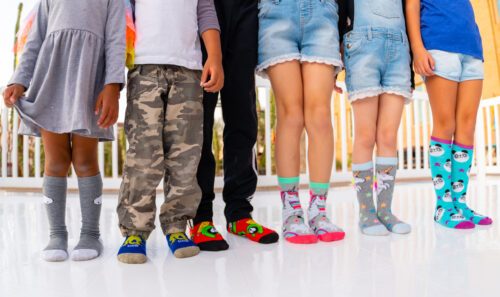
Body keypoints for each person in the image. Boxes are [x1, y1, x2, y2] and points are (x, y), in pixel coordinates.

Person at [2, 0, 125, 261]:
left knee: (84, 160)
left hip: (89, 81)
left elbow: (116, 39)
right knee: (56, 161)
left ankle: (91, 234)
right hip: (52, 78)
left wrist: (112, 85)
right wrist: (20, 80)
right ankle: (56, 234)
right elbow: (34, 41)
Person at [116, 0, 224, 263]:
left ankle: (176, 226)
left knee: (185, 155)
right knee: (143, 154)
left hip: (189, 69)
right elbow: (121, 13)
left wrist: (215, 57)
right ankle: (135, 231)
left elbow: (206, 11)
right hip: (144, 68)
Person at [190, 0, 279, 251]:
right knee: (201, 119)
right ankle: (200, 217)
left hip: (245, 8)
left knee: (243, 113)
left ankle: (239, 214)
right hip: (205, 8)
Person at [256, 0, 345, 244]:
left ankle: (319, 210)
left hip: (323, 13)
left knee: (320, 115)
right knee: (290, 113)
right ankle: (291, 211)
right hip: (276, 12)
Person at [406, 0, 493, 229]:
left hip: (472, 49)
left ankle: (460, 204)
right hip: (439, 45)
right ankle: (443, 207)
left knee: (467, 125)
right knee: (445, 124)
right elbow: (412, 6)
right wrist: (417, 49)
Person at [338, 0, 413, 236]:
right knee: (365, 135)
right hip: (362, 45)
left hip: (399, 48)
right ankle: (366, 212)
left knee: (388, 136)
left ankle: (385, 210)